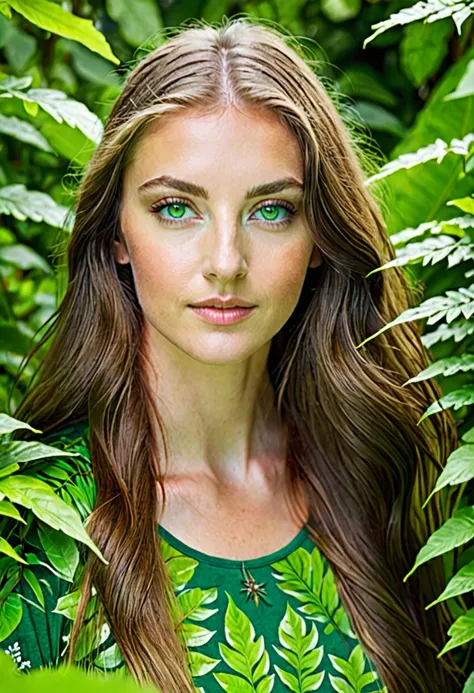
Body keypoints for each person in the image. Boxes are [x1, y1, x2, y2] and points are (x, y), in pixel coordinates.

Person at [1, 17, 465, 693]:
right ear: (117, 235)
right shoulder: (37, 533)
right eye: (175, 208)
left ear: (321, 241)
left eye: (271, 211)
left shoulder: (394, 480)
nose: (225, 262)